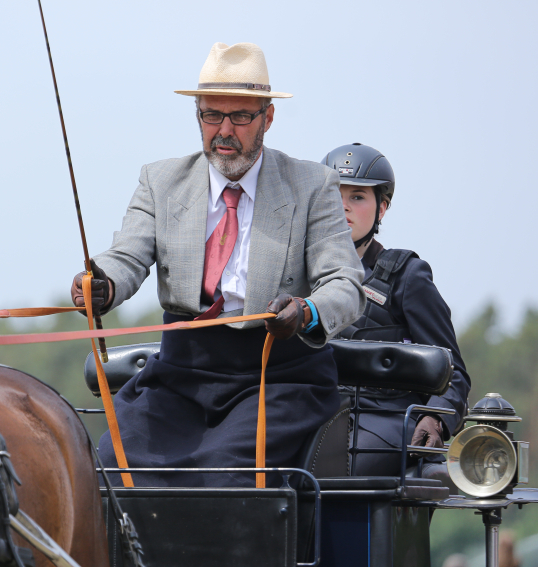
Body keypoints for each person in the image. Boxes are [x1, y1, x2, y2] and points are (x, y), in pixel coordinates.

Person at [71, 43, 365, 487]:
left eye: (241, 117)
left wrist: (306, 311)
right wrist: (102, 284)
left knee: (222, 476)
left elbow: (345, 282)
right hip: (181, 372)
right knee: (118, 460)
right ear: (198, 116)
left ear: (267, 119)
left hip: (278, 376)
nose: (224, 131)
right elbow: (127, 255)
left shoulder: (312, 185)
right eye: (212, 115)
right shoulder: (161, 180)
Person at [322, 142, 470, 475]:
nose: (343, 207)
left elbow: (454, 373)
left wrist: (435, 419)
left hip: (385, 420)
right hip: (315, 412)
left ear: (382, 208)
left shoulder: (407, 277)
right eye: (334, 196)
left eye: (357, 197)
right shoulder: (297, 275)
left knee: (347, 464)